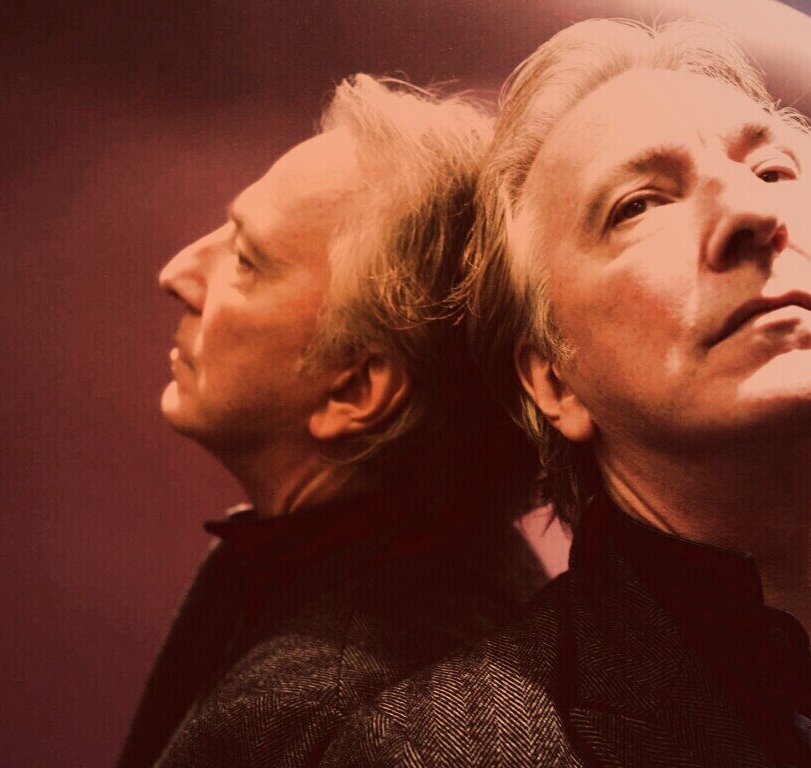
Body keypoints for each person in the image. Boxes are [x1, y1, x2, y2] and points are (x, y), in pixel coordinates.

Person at [322, 20, 811, 768]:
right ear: (555, 380)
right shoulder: (438, 751)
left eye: (772, 172)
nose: (755, 215)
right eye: (639, 204)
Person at [118, 75, 548, 767]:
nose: (178, 272)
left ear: (354, 389)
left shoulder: (309, 721)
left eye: (246, 260)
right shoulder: (481, 574)